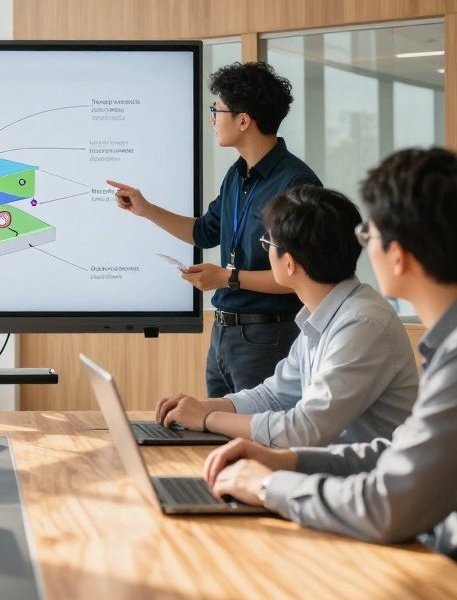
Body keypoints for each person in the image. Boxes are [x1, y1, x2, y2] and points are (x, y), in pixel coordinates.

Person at [204, 148, 457, 596]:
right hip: (456, 575)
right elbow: (402, 451)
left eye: (369, 232)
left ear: (398, 254)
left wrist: (269, 485)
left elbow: (388, 505)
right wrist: (290, 461)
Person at [110, 61, 321, 396]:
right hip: (224, 334)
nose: (212, 119)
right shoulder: (238, 175)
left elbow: (304, 275)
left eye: (217, 109)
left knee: (252, 441)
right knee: (217, 435)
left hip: (268, 337)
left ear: (243, 120)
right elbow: (204, 232)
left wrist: (226, 279)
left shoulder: (295, 184)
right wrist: (146, 209)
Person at [154, 185, 418, 447]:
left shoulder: (362, 324)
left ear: (289, 263)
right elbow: (274, 396)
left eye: (267, 242)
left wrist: (207, 419)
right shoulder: (323, 314)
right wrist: (203, 407)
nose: (266, 251)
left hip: (365, 482)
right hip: (331, 473)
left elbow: (306, 429)